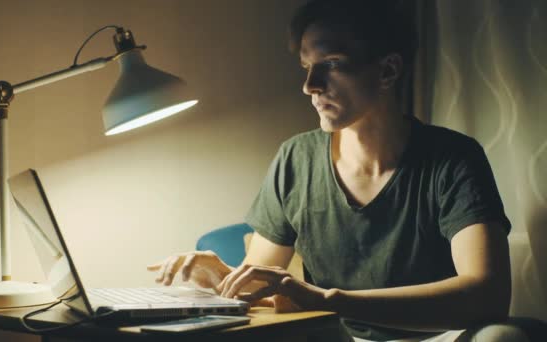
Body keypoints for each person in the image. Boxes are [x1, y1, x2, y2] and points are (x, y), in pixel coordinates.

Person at [147, 1, 530, 341]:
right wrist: (223, 276)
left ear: (387, 70)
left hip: (440, 337)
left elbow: (487, 296)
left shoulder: (452, 158)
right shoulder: (296, 158)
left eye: (330, 64)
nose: (310, 85)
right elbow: (265, 282)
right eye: (306, 67)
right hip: (335, 336)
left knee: (502, 337)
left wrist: (331, 300)